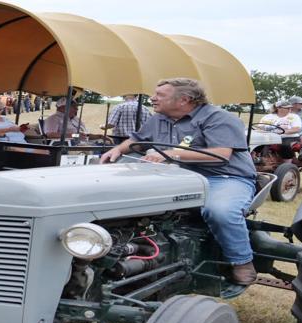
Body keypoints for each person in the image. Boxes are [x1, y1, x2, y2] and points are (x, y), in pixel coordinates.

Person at [99, 77, 259, 285]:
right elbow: (137, 140)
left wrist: (173, 154)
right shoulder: (159, 118)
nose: (153, 98)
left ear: (184, 99)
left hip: (223, 177)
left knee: (220, 211)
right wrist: (118, 149)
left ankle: (242, 262)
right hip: (176, 176)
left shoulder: (219, 118)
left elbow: (220, 154)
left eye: (160, 95)